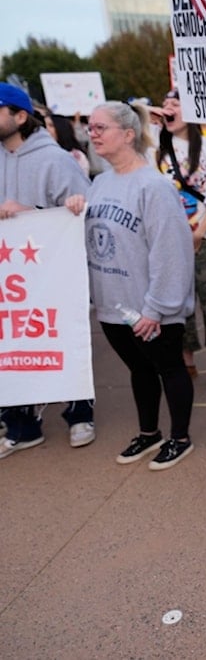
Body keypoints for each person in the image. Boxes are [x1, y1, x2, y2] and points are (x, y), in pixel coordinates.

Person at [65, 102, 196, 470]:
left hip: (151, 308)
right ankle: (149, 432)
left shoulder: (154, 186)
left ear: (128, 134)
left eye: (100, 127)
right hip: (112, 303)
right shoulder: (99, 182)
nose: (92, 133)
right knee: (139, 371)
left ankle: (180, 437)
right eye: (90, 127)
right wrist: (75, 207)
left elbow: (171, 251)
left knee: (169, 368)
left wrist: (157, 307)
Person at [0, 84, 96, 458]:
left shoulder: (56, 161)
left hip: (52, 273)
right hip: (11, 278)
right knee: (11, 344)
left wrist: (30, 213)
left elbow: (81, 214)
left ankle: (80, 414)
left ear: (20, 116)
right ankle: (22, 426)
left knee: (59, 338)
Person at [157, 89, 206, 378]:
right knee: (180, 302)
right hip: (170, 241)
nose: (167, 108)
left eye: (175, 104)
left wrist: (198, 233)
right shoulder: (154, 149)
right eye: (164, 104)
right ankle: (187, 360)